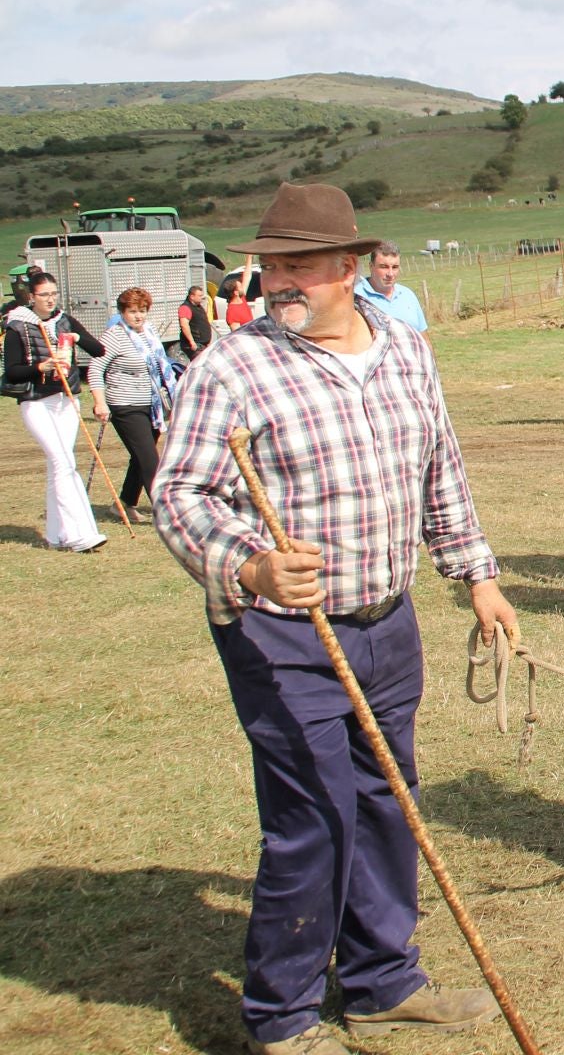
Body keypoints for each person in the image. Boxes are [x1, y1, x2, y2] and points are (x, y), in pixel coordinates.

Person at [152, 183, 511, 1055]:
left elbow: (442, 471)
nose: (280, 281)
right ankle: (280, 1017)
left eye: (300, 265)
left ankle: (383, 982)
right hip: (282, 634)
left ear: (349, 269)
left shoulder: (408, 352)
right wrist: (251, 562)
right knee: (314, 816)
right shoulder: (232, 366)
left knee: (389, 800)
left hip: (388, 621)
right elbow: (179, 493)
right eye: (272, 264)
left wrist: (476, 577)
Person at [3, 271, 107, 552]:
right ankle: (79, 535)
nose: (50, 300)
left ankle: (54, 534)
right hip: (36, 403)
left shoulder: (64, 319)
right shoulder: (17, 326)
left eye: (53, 293)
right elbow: (11, 372)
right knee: (63, 463)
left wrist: (75, 337)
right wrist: (41, 367)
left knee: (59, 464)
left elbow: (99, 350)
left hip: (66, 401)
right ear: (31, 297)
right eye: (44, 295)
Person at [87, 286, 177, 518]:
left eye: (143, 310)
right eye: (133, 311)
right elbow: (95, 368)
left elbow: (160, 365)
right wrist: (100, 402)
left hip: (152, 404)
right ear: (122, 312)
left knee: (140, 457)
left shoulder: (149, 333)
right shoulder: (114, 335)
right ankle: (166, 511)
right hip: (125, 404)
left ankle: (124, 504)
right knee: (149, 459)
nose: (139, 316)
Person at [355, 239, 429, 332]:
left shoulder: (407, 295)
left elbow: (422, 336)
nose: (390, 274)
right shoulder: (356, 296)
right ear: (371, 266)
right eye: (384, 267)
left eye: (395, 267)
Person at [177, 283, 214, 362]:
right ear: (192, 297)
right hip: (195, 345)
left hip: (203, 344)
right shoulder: (185, 308)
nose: (202, 297)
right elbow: (184, 325)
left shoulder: (198, 307)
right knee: (200, 364)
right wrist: (192, 342)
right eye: (200, 296)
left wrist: (208, 341)